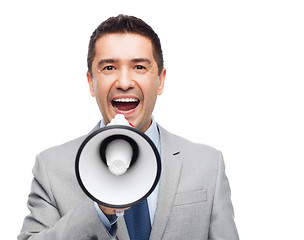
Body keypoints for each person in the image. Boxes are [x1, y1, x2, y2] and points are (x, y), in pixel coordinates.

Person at [18, 14, 239, 240]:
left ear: (160, 80)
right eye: (109, 67)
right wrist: (97, 212)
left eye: (140, 67)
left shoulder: (208, 166)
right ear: (90, 82)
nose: (124, 83)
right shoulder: (51, 168)